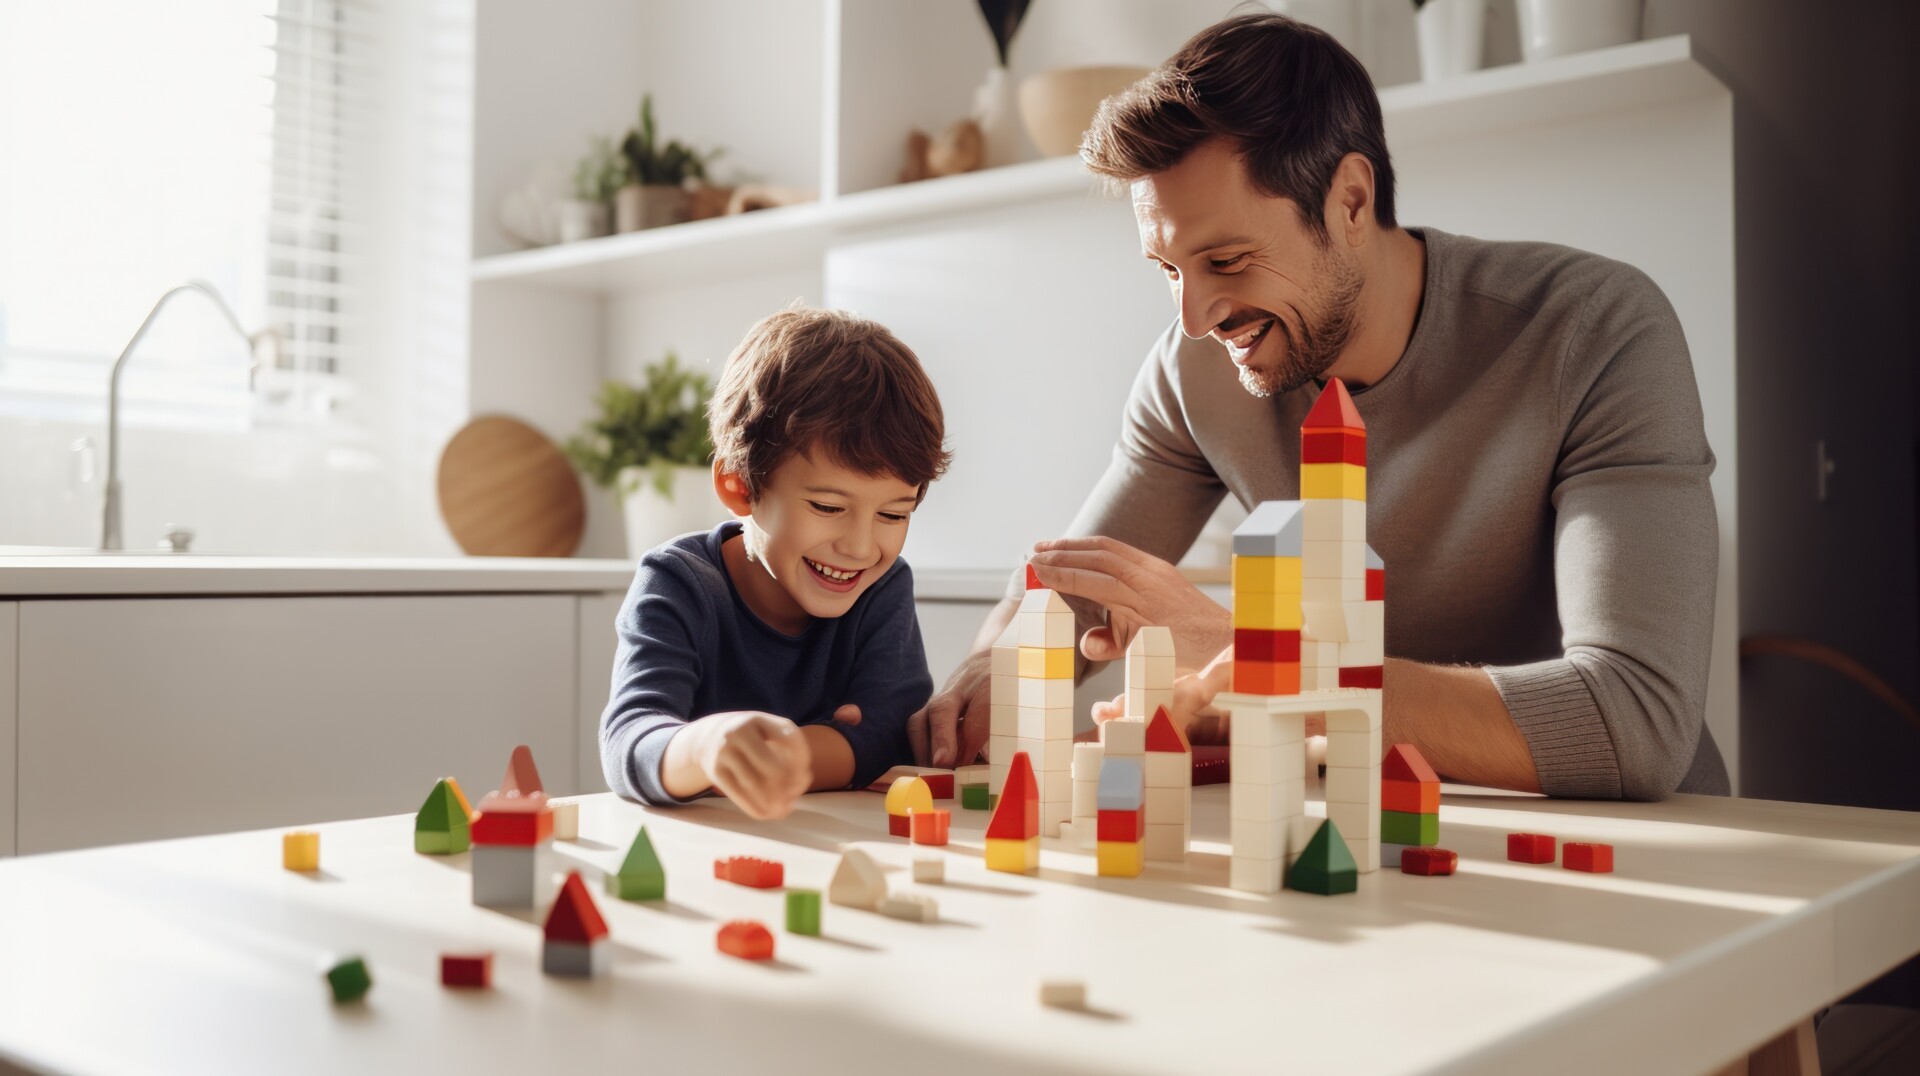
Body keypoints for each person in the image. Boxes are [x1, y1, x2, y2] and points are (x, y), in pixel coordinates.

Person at [908, 12, 1729, 801]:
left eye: (1227, 259)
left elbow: (1636, 721)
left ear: (1350, 201)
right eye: (1166, 269)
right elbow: (1073, 589)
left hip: (1621, 848)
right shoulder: (1194, 371)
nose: (1193, 317)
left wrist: (1257, 662)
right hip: (1359, 833)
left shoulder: (1593, 331)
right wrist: (996, 670)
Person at [601, 305, 951, 819]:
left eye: (893, 514)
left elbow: (888, 729)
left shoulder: (882, 585)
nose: (859, 547)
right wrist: (705, 747)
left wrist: (789, 752)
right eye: (828, 507)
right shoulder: (678, 583)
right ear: (739, 485)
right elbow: (630, 741)